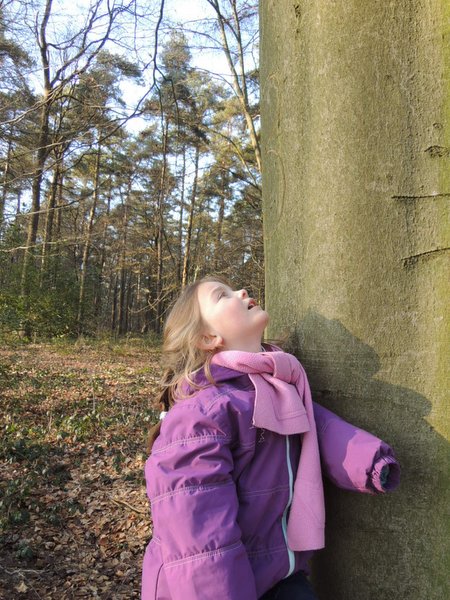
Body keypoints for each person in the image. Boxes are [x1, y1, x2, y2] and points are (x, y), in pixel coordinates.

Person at [141, 276, 400, 600]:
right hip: (223, 582)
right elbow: (199, 537)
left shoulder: (275, 384)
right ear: (208, 337)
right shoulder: (201, 414)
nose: (242, 292)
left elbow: (314, 424)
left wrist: (369, 460)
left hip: (278, 570)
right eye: (223, 296)